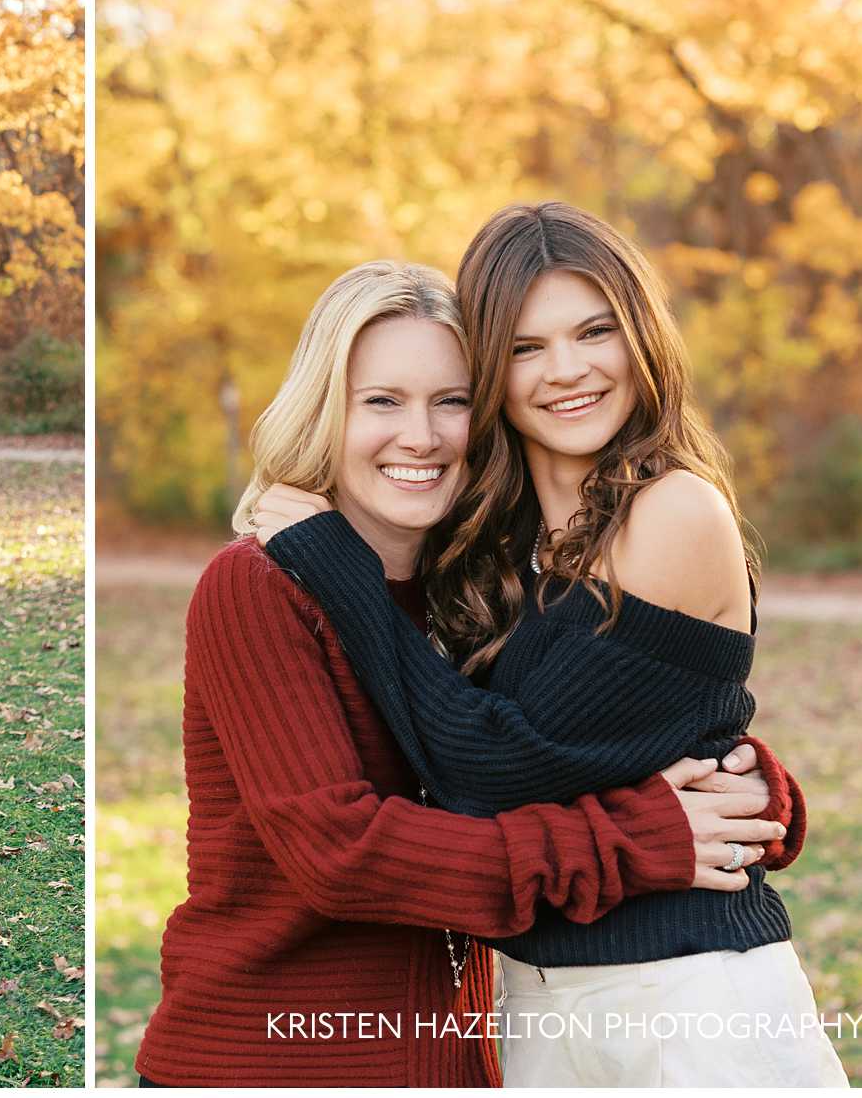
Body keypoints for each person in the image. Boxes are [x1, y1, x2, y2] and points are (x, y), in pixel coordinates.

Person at [134, 261, 799, 1087]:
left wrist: (741, 780)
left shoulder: (470, 589)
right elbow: (344, 852)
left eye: (450, 401)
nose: (422, 436)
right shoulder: (262, 585)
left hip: (461, 1058)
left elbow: (540, 748)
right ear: (323, 410)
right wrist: (641, 839)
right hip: (274, 1055)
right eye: (381, 401)